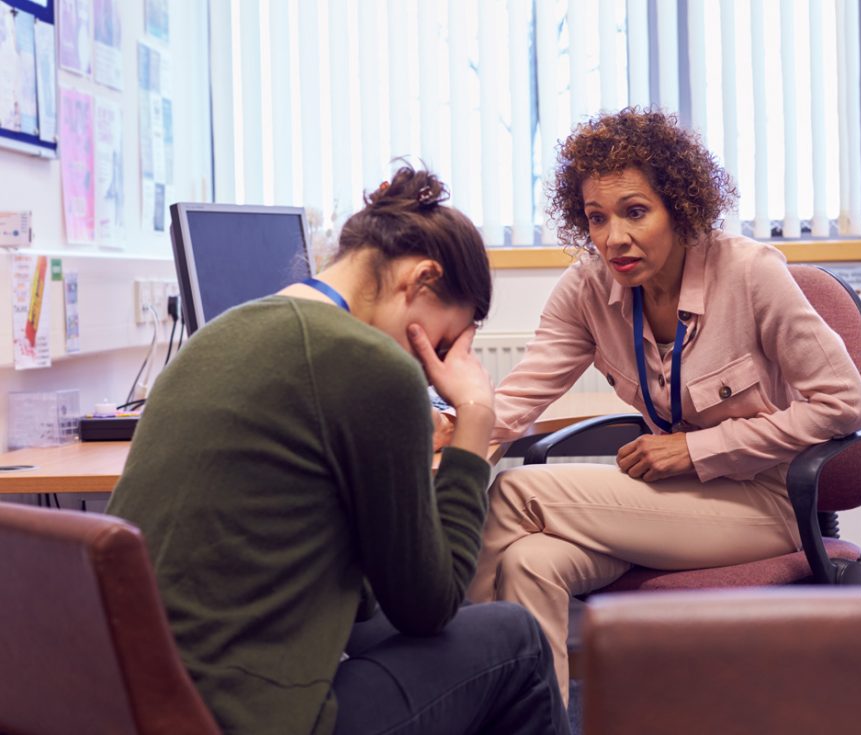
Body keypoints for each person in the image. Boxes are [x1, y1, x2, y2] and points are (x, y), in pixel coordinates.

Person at [107, 165, 569, 735]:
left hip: (134, 704)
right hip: (246, 718)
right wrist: (475, 419)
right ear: (422, 280)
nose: (435, 372)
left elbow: (355, 585)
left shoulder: (220, 335)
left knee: (413, 625)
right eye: (442, 345)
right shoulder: (370, 367)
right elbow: (431, 605)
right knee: (515, 640)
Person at [467, 108, 861, 701]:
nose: (613, 239)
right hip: (668, 506)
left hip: (764, 502)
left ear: (680, 209)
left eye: (635, 212)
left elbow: (844, 405)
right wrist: (447, 431)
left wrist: (696, 448)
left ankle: (458, 683)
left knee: (513, 492)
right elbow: (519, 397)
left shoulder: (751, 273)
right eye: (596, 218)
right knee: (529, 562)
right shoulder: (588, 290)